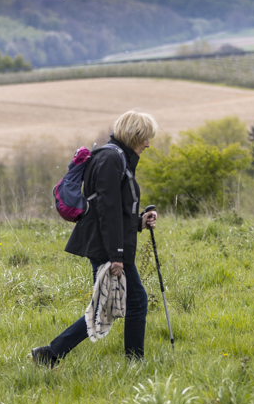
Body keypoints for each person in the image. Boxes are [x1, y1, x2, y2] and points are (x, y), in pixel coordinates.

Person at [32, 110, 159, 367]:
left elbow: (114, 211)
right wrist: (116, 257)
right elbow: (107, 212)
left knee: (105, 305)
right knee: (134, 301)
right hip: (105, 246)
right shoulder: (112, 159)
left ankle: (49, 354)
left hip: (105, 243)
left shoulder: (114, 157)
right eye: (146, 138)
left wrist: (138, 222)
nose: (148, 144)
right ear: (136, 135)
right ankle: (135, 362)